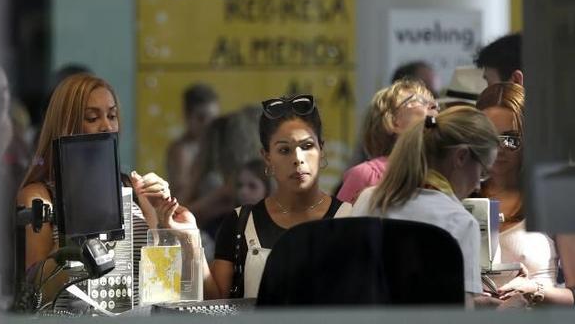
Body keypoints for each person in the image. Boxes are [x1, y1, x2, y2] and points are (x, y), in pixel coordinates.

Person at [155, 94, 351, 299]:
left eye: (307, 146)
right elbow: (216, 300)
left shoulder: (350, 218)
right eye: (284, 150)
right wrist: (189, 238)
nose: (297, 159)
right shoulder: (240, 222)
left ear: (322, 149)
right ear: (267, 157)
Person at [15, 73, 170, 307]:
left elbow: (160, 278)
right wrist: (79, 221)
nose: (106, 126)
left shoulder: (132, 187)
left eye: (112, 115)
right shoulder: (39, 196)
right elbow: (37, 292)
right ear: (65, 124)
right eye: (92, 117)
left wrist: (164, 218)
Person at [351, 107, 499, 306]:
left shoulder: (368, 199)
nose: (478, 185)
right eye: (482, 172)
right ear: (461, 157)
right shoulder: (460, 222)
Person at [476, 83, 575, 306]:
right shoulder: (461, 195)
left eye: (511, 139)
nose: (499, 148)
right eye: (489, 137)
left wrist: (534, 290)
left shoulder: (556, 200)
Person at [337, 79, 438, 203]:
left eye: (434, 103)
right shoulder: (366, 175)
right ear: (393, 122)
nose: (434, 106)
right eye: (420, 101)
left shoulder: (440, 172)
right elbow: (341, 222)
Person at [166, 83, 220, 201]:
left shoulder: (215, 144)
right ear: (187, 116)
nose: (208, 124)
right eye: (201, 118)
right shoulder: (182, 150)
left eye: (213, 118)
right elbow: (180, 200)